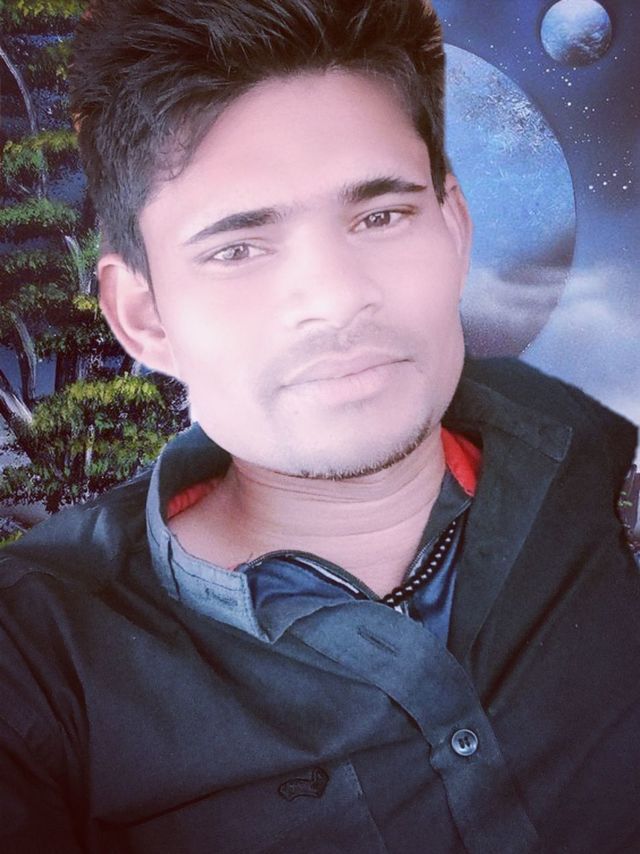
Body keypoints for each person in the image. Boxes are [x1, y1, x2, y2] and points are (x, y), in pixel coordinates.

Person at [0, 1, 638, 851]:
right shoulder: (37, 659)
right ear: (143, 316)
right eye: (238, 249)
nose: (337, 298)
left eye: (380, 217)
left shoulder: (599, 459)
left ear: (454, 226)